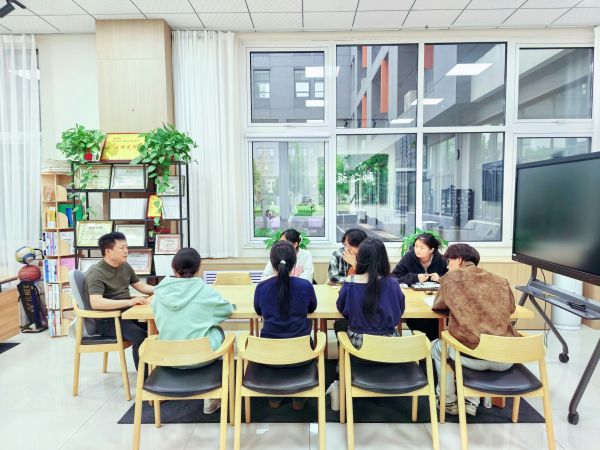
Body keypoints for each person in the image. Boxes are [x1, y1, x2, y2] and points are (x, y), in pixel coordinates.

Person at [431, 244, 519, 417]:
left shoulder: (451, 278)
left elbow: (438, 306)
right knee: (478, 339)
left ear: (459, 260)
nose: (448, 266)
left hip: (470, 357)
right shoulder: (501, 280)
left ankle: (448, 401)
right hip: (504, 357)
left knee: (437, 347)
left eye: (449, 261)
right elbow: (511, 308)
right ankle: (471, 400)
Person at [152, 247, 234, 414]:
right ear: (198, 269)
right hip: (201, 357)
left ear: (174, 268)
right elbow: (226, 310)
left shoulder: (159, 292)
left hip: (168, 356)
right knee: (218, 331)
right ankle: (213, 398)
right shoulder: (205, 291)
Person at [254, 240, 318, 410]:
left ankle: (275, 396)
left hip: (269, 354)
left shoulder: (262, 287)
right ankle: (299, 396)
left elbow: (258, 310)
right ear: (294, 262)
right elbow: (312, 308)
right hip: (301, 353)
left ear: (272, 263)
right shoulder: (305, 285)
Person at [86, 232, 155, 371]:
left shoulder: (124, 266)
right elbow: (96, 302)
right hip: (109, 320)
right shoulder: (97, 272)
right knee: (141, 337)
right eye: (122, 248)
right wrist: (128, 302)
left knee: (156, 330)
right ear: (108, 252)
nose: (126, 251)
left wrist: (163, 289)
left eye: (127, 247)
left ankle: (158, 371)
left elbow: (141, 287)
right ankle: (145, 379)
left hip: (127, 315)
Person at [335, 238, 405, 349]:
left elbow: (341, 308)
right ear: (383, 259)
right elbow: (400, 310)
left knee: (340, 325)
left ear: (360, 258)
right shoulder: (393, 283)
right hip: (390, 345)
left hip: (358, 345)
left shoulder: (350, 281)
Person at [392, 232, 448, 341]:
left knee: (435, 318)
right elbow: (394, 277)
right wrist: (415, 277)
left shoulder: (440, 259)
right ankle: (423, 343)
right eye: (416, 246)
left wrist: (440, 277)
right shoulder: (409, 257)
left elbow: (450, 278)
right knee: (418, 321)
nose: (418, 250)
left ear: (431, 250)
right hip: (413, 299)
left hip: (433, 299)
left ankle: (431, 344)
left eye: (422, 247)